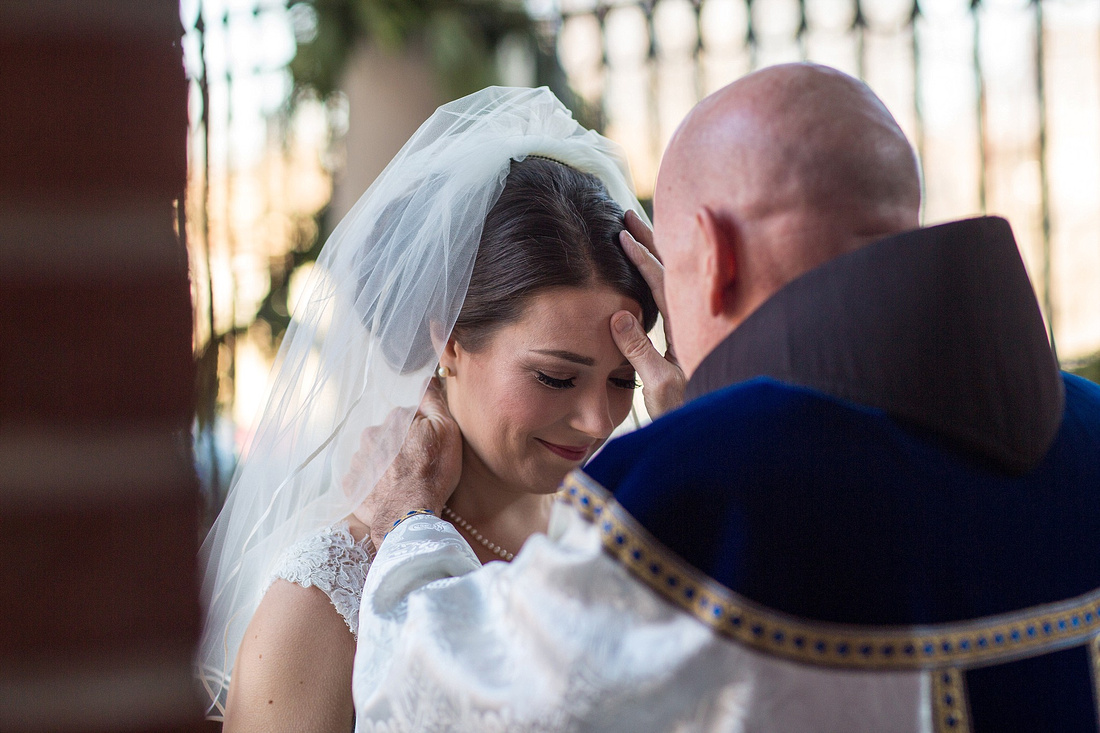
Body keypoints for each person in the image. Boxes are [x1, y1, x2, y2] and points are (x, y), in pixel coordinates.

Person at [351, 63, 1100, 731]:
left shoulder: (700, 494)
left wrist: (411, 521)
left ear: (713, 256)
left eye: (668, 268)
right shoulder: (1087, 428)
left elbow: (439, 701)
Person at [195, 86, 659, 730]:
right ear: (449, 342)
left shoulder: (625, 539)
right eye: (555, 378)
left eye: (621, 380)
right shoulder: (324, 599)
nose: (597, 421)